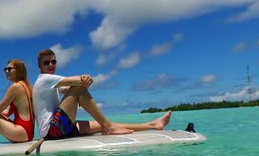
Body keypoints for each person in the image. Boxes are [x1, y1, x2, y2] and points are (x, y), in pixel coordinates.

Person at [32, 48, 172, 140]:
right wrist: (83, 80)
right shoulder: (45, 79)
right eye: (46, 63)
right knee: (78, 89)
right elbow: (77, 84)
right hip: (52, 131)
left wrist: (81, 84)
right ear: (40, 66)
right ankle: (108, 127)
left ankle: (152, 124)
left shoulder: (53, 84)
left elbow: (70, 87)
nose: (51, 64)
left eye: (53, 61)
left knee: (100, 123)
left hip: (60, 128)